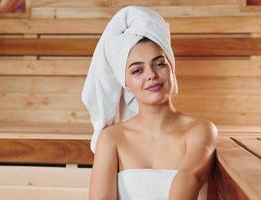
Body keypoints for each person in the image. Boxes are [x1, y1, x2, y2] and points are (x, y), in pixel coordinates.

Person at [82, 6, 218, 200]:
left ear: (171, 68)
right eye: (138, 70)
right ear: (125, 83)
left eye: (159, 63)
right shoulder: (112, 138)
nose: (152, 75)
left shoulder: (200, 130)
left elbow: (190, 177)